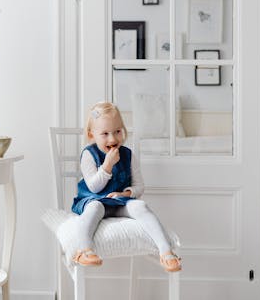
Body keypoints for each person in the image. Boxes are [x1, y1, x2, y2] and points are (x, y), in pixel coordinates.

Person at [71, 101, 182, 272]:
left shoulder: (128, 155)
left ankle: (166, 251)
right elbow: (94, 187)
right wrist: (107, 165)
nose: (113, 139)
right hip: (95, 200)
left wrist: (126, 193)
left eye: (117, 131)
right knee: (94, 208)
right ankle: (84, 250)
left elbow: (139, 186)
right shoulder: (88, 154)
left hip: (119, 202)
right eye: (105, 133)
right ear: (91, 135)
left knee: (141, 206)